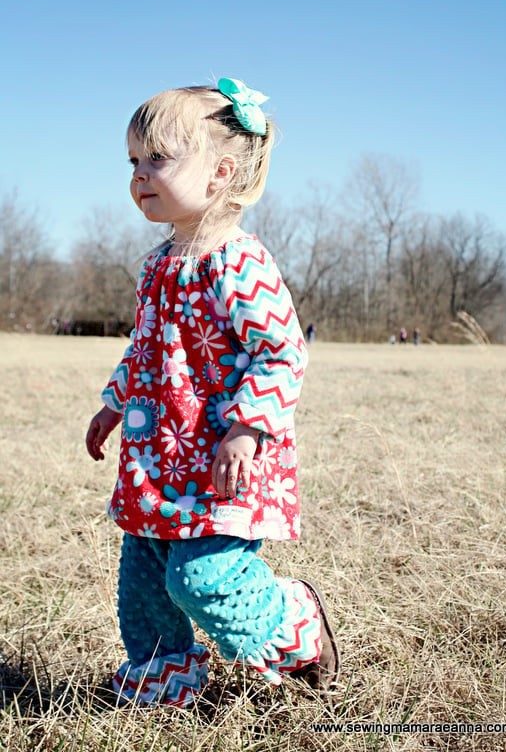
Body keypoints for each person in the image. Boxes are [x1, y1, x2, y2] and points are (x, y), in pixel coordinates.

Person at [85, 78, 339, 708]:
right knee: (143, 579)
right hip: (156, 453)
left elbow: (281, 350)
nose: (140, 175)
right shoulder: (157, 265)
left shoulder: (238, 261)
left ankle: (294, 620)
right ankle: (164, 679)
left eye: (159, 158)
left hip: (222, 455)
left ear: (221, 172)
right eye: (133, 161)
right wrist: (115, 402)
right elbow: (145, 349)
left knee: (201, 577)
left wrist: (249, 428)